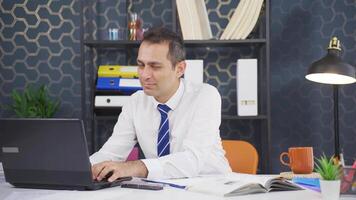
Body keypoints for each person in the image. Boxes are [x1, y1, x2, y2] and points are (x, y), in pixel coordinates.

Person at [90, 27, 231, 182]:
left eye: (155, 66)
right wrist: (84, 168)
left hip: (211, 187)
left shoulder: (205, 96)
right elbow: (111, 152)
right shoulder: (135, 102)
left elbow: (192, 160)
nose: (144, 75)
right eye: (141, 65)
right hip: (163, 188)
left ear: (180, 69)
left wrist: (134, 167)